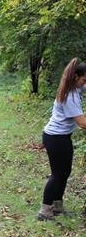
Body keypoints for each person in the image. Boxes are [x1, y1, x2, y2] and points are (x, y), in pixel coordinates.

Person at [37, 58, 86, 220]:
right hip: (55, 138)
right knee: (58, 174)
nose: (85, 83)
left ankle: (57, 207)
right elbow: (82, 123)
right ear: (76, 77)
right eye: (84, 80)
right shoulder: (70, 96)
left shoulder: (75, 87)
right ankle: (44, 211)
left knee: (65, 172)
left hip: (62, 137)